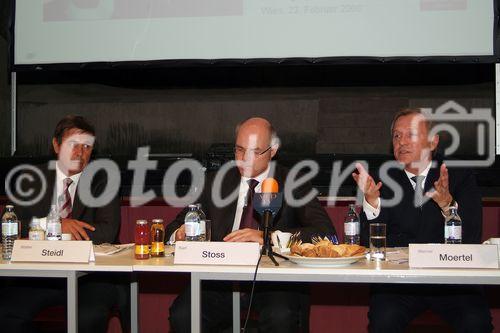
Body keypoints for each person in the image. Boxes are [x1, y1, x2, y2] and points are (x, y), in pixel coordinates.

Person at [167, 117, 336, 332]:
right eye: (239, 150)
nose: (244, 159)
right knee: (182, 315)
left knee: (280, 317)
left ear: (272, 151)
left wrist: (269, 237)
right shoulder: (216, 181)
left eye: (255, 152)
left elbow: (326, 234)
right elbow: (173, 227)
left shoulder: (294, 181)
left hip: (274, 282)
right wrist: (180, 234)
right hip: (220, 281)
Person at [352, 108, 493, 333]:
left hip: (452, 283)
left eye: (411, 135)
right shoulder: (381, 180)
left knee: (475, 322)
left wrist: (448, 206)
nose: (402, 142)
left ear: (433, 142)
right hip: (400, 284)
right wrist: (371, 203)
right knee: (383, 320)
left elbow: (472, 237)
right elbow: (363, 245)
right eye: (397, 136)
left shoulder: (459, 175)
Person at [1, 115, 125, 333]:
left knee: (89, 316)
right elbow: (10, 226)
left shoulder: (103, 180)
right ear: (56, 145)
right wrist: (55, 225)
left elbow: (107, 231)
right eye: (73, 145)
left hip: (90, 277)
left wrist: (58, 231)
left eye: (86, 147)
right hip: (39, 276)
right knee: (7, 312)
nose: (80, 153)